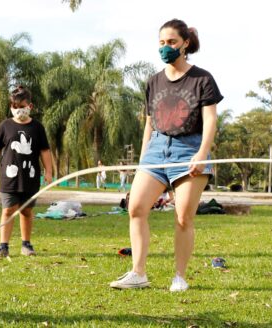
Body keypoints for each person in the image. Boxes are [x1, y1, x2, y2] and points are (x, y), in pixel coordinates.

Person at [109, 19, 222, 292]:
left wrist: (202, 153)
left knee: (183, 216)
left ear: (185, 43)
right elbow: (149, 121)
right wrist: (144, 156)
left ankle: (180, 277)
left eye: (171, 42)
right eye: (161, 43)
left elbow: (210, 120)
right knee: (135, 208)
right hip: (157, 150)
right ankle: (138, 273)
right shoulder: (154, 81)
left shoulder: (202, 79)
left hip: (189, 149)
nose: (166, 48)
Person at [0, 86, 54, 259]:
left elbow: (45, 151)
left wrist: (49, 171)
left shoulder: (38, 127)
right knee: (8, 210)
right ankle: (3, 246)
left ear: (30, 106)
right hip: (9, 177)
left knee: (26, 211)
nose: (18, 110)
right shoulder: (5, 126)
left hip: (30, 177)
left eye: (21, 106)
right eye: (14, 106)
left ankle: (26, 244)